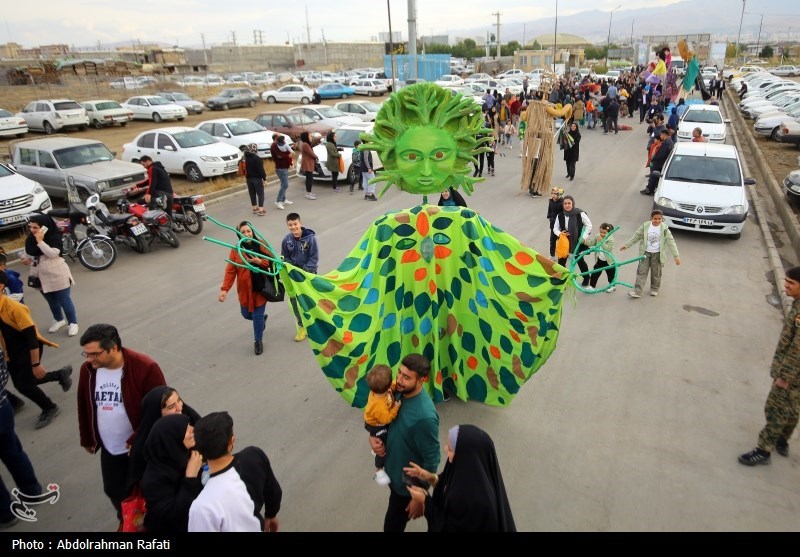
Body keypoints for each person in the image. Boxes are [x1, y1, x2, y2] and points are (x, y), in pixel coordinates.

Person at [77, 323, 167, 522]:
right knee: (113, 489)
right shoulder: (89, 370)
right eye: (86, 354)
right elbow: (84, 404)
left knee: (148, 492)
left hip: (140, 449)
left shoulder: (145, 367)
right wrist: (87, 437)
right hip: (110, 448)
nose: (89, 359)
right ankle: (127, 521)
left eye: (95, 354)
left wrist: (137, 438)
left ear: (114, 348)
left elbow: (161, 407)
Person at [369, 354, 440, 532]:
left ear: (422, 380)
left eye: (406, 377)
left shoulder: (425, 417)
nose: (399, 380)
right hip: (392, 474)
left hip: (405, 488)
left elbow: (432, 458)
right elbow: (378, 416)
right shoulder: (398, 391)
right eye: (399, 373)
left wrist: (419, 495)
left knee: (392, 527)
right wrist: (372, 436)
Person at [738, 266, 800, 466]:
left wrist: (784, 377)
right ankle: (782, 439)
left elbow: (796, 350)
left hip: (790, 374)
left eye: (791, 283)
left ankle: (763, 450)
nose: (785, 286)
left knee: (775, 409)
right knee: (792, 409)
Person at [404, 424, 516, 532]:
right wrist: (430, 477)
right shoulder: (466, 472)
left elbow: (447, 528)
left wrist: (425, 500)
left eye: (450, 449)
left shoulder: (474, 502)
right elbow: (448, 483)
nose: (445, 449)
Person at [188, 411, 282, 532]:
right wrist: (271, 515)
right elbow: (273, 491)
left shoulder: (201, 506)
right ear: (231, 441)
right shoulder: (254, 456)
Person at [0, 271, 71, 430]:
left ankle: (50, 407)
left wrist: (36, 363)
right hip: (10, 351)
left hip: (27, 348)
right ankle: (60, 374)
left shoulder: (14, 308)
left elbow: (31, 336)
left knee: (24, 384)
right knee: (27, 379)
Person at [127, 385, 202, 494]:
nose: (180, 408)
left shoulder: (190, 420)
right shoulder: (148, 451)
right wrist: (191, 476)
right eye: (171, 406)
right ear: (157, 413)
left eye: (179, 400)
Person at [0, 346, 43, 529]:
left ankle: (5, 512)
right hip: (2, 407)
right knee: (13, 452)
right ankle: (32, 490)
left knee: (13, 452)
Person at [218, 221, 274, 356]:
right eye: (243, 232)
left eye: (249, 231)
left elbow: (273, 262)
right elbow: (230, 271)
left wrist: (260, 262)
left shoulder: (261, 245)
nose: (247, 234)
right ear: (239, 234)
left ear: (253, 231)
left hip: (261, 288)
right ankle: (261, 320)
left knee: (257, 315)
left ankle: (258, 341)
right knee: (246, 314)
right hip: (245, 291)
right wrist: (224, 289)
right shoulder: (236, 250)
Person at [140, 414, 204, 533]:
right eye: (185, 429)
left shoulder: (186, 454)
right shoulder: (152, 482)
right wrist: (190, 477)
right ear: (171, 439)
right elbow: (175, 516)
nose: (192, 429)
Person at [19, 214, 79, 337]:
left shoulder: (54, 237)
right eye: (30, 227)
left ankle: (72, 323)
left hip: (57, 274)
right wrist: (26, 259)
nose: (32, 230)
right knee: (52, 302)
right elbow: (30, 252)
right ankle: (59, 319)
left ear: (44, 227)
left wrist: (40, 241)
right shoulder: (31, 239)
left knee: (64, 300)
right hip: (39, 276)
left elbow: (52, 253)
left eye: (35, 227)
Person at [620, 209, 681, 298]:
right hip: (645, 253)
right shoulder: (645, 226)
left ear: (662, 219)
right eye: (655, 218)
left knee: (656, 273)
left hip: (657, 254)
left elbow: (671, 242)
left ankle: (654, 289)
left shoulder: (664, 229)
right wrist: (626, 245)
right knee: (641, 272)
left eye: (659, 219)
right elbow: (636, 236)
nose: (657, 221)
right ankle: (637, 291)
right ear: (651, 218)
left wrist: (676, 256)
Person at [281, 213, 319, 342]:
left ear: (300, 223)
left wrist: (304, 271)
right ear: (287, 226)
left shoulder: (310, 239)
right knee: (295, 302)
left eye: (295, 224)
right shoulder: (287, 240)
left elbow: (314, 258)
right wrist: (291, 269)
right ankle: (302, 326)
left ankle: (316, 324)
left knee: (311, 300)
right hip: (293, 275)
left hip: (308, 275)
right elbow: (284, 257)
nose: (293, 227)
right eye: (290, 225)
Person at [364, 364, 401, 486]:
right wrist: (395, 407)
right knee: (382, 447)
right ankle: (379, 470)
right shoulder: (379, 405)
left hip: (376, 419)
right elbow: (387, 419)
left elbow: (391, 387)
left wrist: (397, 386)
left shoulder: (380, 390)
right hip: (377, 425)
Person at [553, 195, 592, 287]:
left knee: (580, 260)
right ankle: (563, 280)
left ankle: (586, 278)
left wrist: (584, 237)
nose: (567, 205)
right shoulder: (560, 215)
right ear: (563, 205)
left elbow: (589, 225)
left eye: (569, 203)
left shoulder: (580, 214)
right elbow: (555, 228)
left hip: (576, 241)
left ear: (572, 204)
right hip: (564, 242)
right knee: (561, 262)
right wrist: (560, 234)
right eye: (565, 203)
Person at [136, 155, 173, 220]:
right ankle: (173, 227)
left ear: (148, 161)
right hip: (170, 193)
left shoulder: (152, 168)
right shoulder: (160, 167)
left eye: (143, 164)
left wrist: (148, 194)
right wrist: (137, 185)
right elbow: (150, 180)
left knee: (140, 201)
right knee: (169, 215)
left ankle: (158, 200)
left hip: (160, 193)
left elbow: (152, 182)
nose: (144, 166)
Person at [583, 223, 617, 293]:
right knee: (595, 273)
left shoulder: (611, 239)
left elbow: (607, 249)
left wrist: (602, 240)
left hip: (609, 261)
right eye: (601, 232)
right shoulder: (598, 236)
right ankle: (592, 287)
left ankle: (612, 286)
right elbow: (592, 243)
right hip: (600, 260)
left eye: (604, 233)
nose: (602, 234)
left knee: (611, 275)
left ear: (609, 232)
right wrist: (584, 241)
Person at [641, 128, 674, 196]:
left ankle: (649, 190)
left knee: (653, 176)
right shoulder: (671, 141)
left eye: (661, 135)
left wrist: (654, 157)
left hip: (659, 163)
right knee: (656, 177)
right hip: (663, 163)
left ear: (664, 135)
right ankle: (653, 189)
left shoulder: (665, 143)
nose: (661, 137)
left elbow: (661, 155)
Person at [269, 134, 295, 210]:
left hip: (284, 167)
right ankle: (278, 201)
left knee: (283, 184)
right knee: (285, 185)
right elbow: (279, 156)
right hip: (280, 168)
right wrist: (288, 155)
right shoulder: (274, 146)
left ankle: (283, 199)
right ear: (276, 139)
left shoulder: (279, 145)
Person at [243, 143, 266, 216]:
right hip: (257, 178)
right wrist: (264, 179)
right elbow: (261, 170)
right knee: (260, 194)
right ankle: (261, 210)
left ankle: (254, 208)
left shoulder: (244, 158)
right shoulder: (257, 158)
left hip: (248, 179)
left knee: (252, 193)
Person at [298, 131, 318, 200]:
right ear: (306, 137)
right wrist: (316, 157)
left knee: (309, 178)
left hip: (308, 163)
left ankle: (308, 192)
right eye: (309, 136)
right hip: (307, 164)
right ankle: (308, 193)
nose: (311, 137)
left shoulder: (306, 144)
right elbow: (311, 153)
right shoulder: (305, 145)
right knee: (309, 179)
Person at [547, 187, 565, 260]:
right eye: (552, 193)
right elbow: (549, 210)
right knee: (552, 240)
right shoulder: (551, 201)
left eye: (555, 194)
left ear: (559, 195)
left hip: (561, 225)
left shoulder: (562, 203)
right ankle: (552, 255)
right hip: (553, 224)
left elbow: (565, 213)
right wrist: (549, 217)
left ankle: (565, 254)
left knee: (562, 241)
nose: (553, 195)